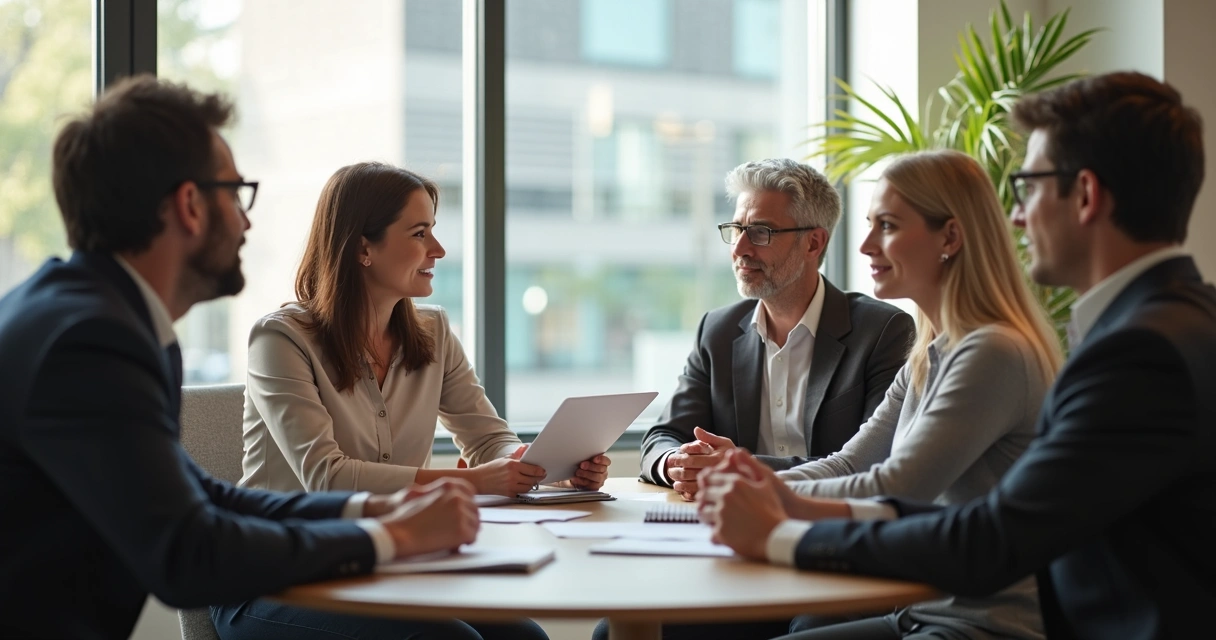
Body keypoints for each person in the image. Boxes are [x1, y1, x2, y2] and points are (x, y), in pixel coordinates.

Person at [699, 71, 1215, 640]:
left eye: (1030, 188)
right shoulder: (1170, 324)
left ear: (1086, 195)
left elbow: (984, 534)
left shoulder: (1133, 352)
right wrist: (766, 492)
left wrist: (778, 526)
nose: (1016, 216)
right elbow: (915, 495)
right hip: (928, 607)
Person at [0, 75, 490, 640]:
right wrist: (392, 539)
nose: (246, 220)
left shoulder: (100, 320)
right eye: (236, 193)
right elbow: (186, 555)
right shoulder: (89, 342)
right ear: (190, 205)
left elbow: (207, 498)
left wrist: (368, 514)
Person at [771, 149, 1063, 639]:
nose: (864, 245)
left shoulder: (994, 351)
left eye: (886, 225)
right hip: (919, 609)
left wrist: (766, 497)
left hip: (982, 626)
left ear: (949, 236)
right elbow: (849, 465)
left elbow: (896, 486)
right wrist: (742, 480)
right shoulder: (930, 351)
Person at [640, 159, 915, 503]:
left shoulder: (882, 332)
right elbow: (664, 435)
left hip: (829, 523)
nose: (740, 249)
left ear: (813, 244)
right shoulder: (718, 331)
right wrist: (677, 464)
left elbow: (872, 464)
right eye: (736, 229)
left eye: (760, 232)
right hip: (730, 524)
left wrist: (741, 467)